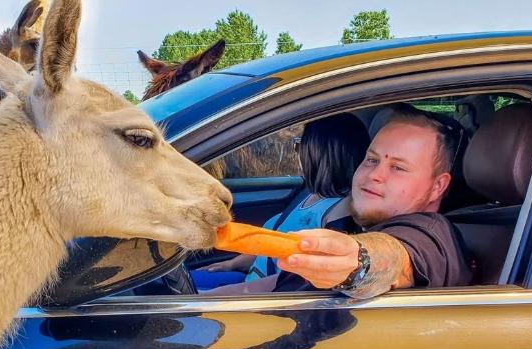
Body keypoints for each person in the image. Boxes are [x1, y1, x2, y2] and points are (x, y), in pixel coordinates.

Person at [206, 107, 473, 298]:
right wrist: (210, 299)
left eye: (398, 168)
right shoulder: (361, 223)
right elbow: (282, 283)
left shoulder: (432, 237)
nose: (374, 175)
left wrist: (359, 263)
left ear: (438, 185)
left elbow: (395, 258)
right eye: (371, 160)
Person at [192, 113, 369, 291]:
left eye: (300, 144)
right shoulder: (310, 193)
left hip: (266, 295)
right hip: (248, 280)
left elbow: (299, 281)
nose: (297, 150)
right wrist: (231, 264)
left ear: (318, 153)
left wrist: (226, 294)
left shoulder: (341, 210)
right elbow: (271, 247)